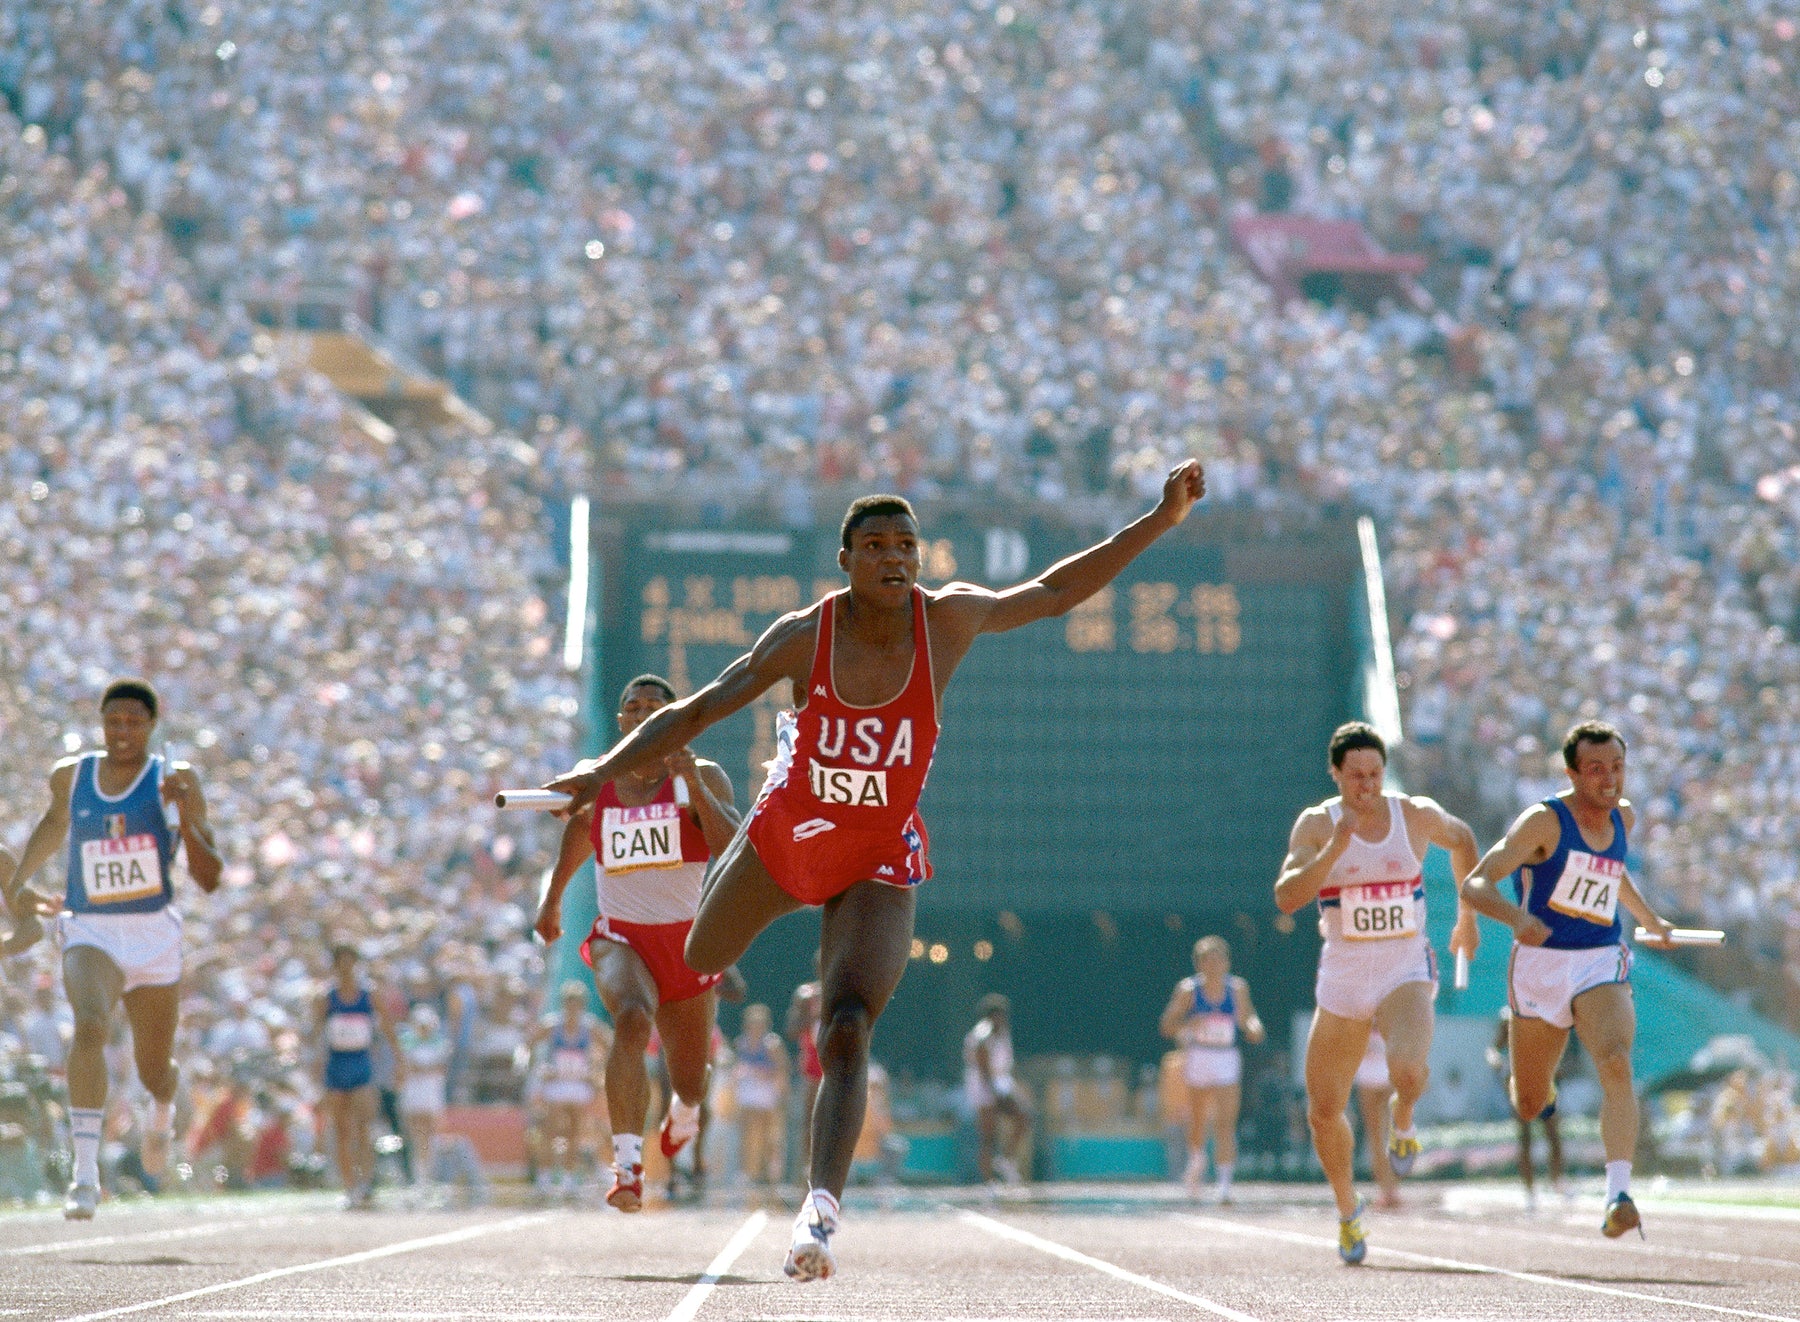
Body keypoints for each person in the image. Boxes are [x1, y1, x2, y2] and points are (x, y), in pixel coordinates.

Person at [544, 461, 1206, 1281]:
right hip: (787, 834)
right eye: (878, 546)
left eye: (908, 546)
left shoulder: (949, 619)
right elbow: (698, 707)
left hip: (879, 853)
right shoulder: (804, 634)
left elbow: (1055, 591)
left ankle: (818, 1214)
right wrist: (604, 769)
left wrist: (1160, 519)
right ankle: (690, 1079)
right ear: (847, 560)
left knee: (849, 1022)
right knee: (702, 955)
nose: (897, 559)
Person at [3, 679, 222, 1219]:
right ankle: (85, 1175)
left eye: (133, 722)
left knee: (153, 1070)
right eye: (113, 722)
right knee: (92, 1025)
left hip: (151, 933)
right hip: (91, 927)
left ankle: (163, 1114)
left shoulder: (176, 777)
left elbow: (209, 876)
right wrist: (18, 888)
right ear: (101, 723)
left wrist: (185, 814)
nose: (122, 732)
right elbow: (54, 827)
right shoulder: (71, 775)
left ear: (152, 726)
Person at [1459, 719, 1676, 1239]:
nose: (1609, 779)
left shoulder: (1623, 817)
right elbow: (1475, 885)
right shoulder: (1542, 823)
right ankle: (1532, 1077)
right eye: (1596, 769)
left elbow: (1612, 870)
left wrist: (1650, 921)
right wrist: (1517, 919)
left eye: (1617, 768)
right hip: (1540, 966)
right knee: (1531, 1102)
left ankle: (1618, 1193)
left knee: (1616, 1061)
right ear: (1573, 773)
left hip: (1600, 958)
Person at [1274, 720, 1479, 1264]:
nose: (1367, 786)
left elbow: (1463, 841)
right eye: (1356, 776)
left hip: (1403, 968)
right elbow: (1287, 897)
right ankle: (1347, 1211)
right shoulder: (1318, 825)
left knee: (1408, 1068)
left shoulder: (1412, 814)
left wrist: (1467, 917)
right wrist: (1332, 851)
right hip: (1343, 976)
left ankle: (1403, 1115)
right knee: (1324, 1109)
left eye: (1375, 774)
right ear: (1335, 774)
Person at [534, 674, 741, 1213]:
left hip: (688, 944)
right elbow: (580, 830)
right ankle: (628, 1167)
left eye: (657, 707)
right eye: (634, 707)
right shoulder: (601, 778)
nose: (644, 713)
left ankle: (686, 1111)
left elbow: (732, 847)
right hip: (621, 934)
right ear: (622, 720)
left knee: (691, 1080)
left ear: (677, 718)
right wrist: (552, 899)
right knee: (630, 1018)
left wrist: (692, 784)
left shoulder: (705, 775)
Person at [1158, 935, 1265, 1202]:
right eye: (1208, 960)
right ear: (1199, 964)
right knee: (1197, 1120)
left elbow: (1248, 1017)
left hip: (1225, 1057)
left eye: (1219, 960)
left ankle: (1225, 1185)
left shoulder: (1237, 988)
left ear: (1227, 962)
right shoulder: (1188, 990)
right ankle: (1196, 1160)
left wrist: (1254, 1027)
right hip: (1199, 1056)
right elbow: (1166, 1025)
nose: (1214, 965)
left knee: (1225, 1123)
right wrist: (1190, 1024)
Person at [317, 943, 399, 1209]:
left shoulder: (369, 994)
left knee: (364, 1126)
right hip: (336, 1064)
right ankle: (349, 1186)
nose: (346, 967)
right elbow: (317, 1032)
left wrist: (399, 1058)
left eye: (350, 961)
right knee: (342, 1129)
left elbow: (387, 1027)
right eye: (341, 962)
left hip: (361, 1063)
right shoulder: (326, 997)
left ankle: (365, 1183)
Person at [531, 981, 608, 1198]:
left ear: (582, 1005)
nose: (572, 1008)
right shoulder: (552, 1025)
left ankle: (569, 1179)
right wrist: (540, 1069)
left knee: (575, 1131)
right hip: (556, 1084)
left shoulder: (590, 1027)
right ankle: (545, 1178)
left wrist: (596, 1071)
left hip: (578, 1084)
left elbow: (609, 1046)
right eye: (569, 1003)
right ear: (563, 1004)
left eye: (576, 1003)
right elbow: (529, 1045)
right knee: (550, 1130)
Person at [1488, 1007, 1566, 1211]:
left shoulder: (1543, 1013)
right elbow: (1493, 1049)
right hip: (1520, 1082)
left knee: (1553, 1134)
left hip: (1544, 1080)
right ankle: (1530, 1192)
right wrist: (1498, 1063)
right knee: (1525, 1138)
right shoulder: (1508, 1016)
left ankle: (1557, 1182)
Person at [964, 993, 1032, 1187]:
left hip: (1001, 1082)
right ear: (989, 1016)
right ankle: (988, 1182)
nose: (1001, 1019)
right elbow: (984, 1070)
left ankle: (1006, 1159)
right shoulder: (981, 1036)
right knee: (988, 1136)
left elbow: (1005, 1065)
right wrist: (995, 1094)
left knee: (1023, 1117)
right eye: (997, 1015)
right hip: (984, 1086)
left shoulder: (1003, 1032)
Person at [733, 1003, 790, 1188]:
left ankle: (769, 1176)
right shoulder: (741, 1043)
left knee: (770, 1138)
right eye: (752, 1025)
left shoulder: (772, 1044)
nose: (755, 1029)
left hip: (768, 1098)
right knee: (748, 1137)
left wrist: (758, 1073)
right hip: (747, 1098)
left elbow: (781, 1070)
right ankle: (750, 1173)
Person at [398, 1003, 451, 1191]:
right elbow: (407, 1067)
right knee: (416, 1135)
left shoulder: (439, 1043)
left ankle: (430, 1177)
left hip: (431, 1093)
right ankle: (419, 1177)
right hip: (413, 1093)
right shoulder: (406, 1042)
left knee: (431, 1133)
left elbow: (439, 1067)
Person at [1352, 1030, 1402, 1210]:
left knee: (1377, 1138)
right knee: (1387, 1135)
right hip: (1382, 1071)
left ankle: (1387, 1190)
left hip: (1372, 1073)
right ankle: (1390, 1190)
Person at [785, 958, 824, 1176]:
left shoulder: (843, 989)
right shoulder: (806, 994)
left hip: (835, 1066)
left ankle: (832, 1168)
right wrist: (813, 1014)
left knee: (835, 1119)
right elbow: (791, 1029)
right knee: (810, 1119)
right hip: (812, 1067)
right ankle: (807, 1168)